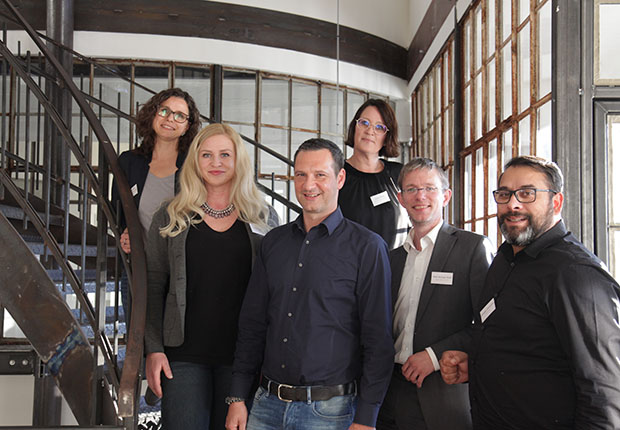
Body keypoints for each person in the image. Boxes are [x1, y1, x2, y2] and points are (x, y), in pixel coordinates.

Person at [440, 156, 620, 429]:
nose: (513, 204)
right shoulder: (505, 258)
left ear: (556, 202)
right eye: (504, 194)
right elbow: (527, 349)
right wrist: (476, 366)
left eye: (527, 193)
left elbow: (604, 393)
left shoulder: (575, 273)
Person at [225, 138, 394, 430]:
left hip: (330, 412)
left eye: (320, 175)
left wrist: (366, 418)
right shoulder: (273, 243)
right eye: (301, 174)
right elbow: (252, 323)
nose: (308, 184)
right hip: (266, 406)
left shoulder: (367, 247)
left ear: (340, 178)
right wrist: (237, 396)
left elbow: (378, 340)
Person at [144, 123, 275, 430]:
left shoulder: (264, 217)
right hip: (183, 356)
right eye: (207, 155)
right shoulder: (170, 215)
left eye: (225, 155)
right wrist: (154, 349)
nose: (216, 163)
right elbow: (152, 285)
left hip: (241, 360)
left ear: (238, 160)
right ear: (195, 161)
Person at [376, 158, 493, 430]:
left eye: (429, 188)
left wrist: (433, 355)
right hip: (388, 391)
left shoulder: (472, 249)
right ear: (401, 198)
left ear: (445, 196)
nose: (420, 196)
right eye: (412, 189)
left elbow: (488, 325)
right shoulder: (390, 259)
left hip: (441, 393)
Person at [111, 87, 200, 327]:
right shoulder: (129, 162)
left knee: (178, 341)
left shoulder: (195, 165)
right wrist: (125, 233)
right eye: (165, 111)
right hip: (140, 268)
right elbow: (116, 212)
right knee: (139, 340)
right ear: (153, 114)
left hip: (184, 270)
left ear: (187, 126)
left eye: (180, 115)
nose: (170, 118)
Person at [338, 99, 409, 250]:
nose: (370, 131)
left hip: (394, 268)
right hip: (348, 268)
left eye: (379, 127)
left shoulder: (399, 174)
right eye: (364, 123)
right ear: (354, 127)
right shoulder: (337, 174)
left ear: (386, 138)